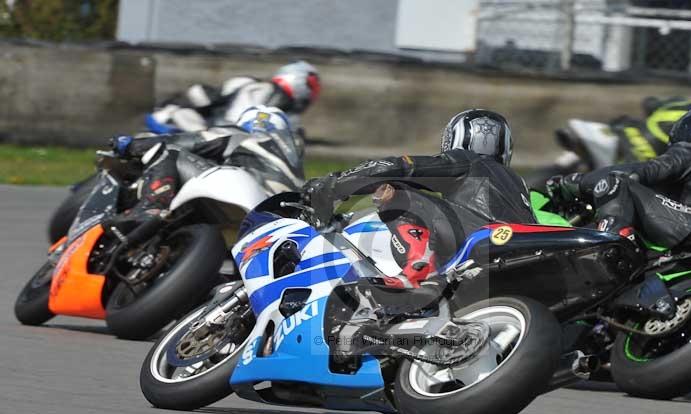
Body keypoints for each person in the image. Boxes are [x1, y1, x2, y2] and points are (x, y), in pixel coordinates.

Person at [302, 109, 534, 286]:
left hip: (483, 244)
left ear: (453, 139)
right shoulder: (519, 183)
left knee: (395, 193)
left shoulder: (467, 160)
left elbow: (391, 168)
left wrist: (331, 186)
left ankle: (418, 271)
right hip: (523, 255)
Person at [550, 109, 691, 249]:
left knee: (617, 182)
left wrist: (575, 182)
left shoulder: (689, 153)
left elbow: (637, 171)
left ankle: (609, 246)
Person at [106, 106, 305, 236]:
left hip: (247, 199)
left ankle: (150, 207)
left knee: (169, 152)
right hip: (279, 226)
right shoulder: (294, 166)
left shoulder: (244, 134)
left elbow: (185, 141)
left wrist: (132, 145)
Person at [147, 61, 321, 137]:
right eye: (311, 86)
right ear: (298, 80)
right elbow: (200, 96)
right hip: (185, 126)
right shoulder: (252, 85)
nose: (311, 94)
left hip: (222, 137)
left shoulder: (289, 115)